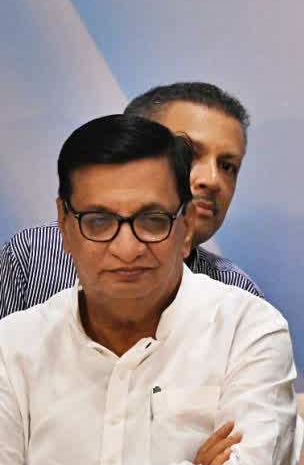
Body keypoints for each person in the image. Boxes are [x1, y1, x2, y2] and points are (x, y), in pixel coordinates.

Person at [0, 115, 299, 465]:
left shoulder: (249, 329)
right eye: (99, 221)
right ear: (64, 224)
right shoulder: (14, 344)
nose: (127, 248)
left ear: (185, 228)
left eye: (152, 220)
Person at [0, 82, 261, 319]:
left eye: (227, 166)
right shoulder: (34, 256)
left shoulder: (238, 295)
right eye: (187, 153)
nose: (213, 180)